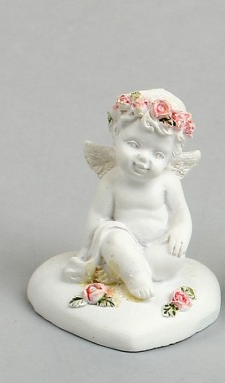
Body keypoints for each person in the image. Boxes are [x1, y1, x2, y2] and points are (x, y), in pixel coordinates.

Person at [64, 89, 199, 300]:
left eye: (158, 154)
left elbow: (181, 214)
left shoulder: (168, 181)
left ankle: (129, 270)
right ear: (116, 136)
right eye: (134, 145)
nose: (144, 158)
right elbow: (98, 215)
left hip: (156, 244)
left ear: (170, 159)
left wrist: (180, 232)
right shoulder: (112, 179)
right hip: (123, 241)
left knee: (173, 257)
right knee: (114, 238)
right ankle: (135, 275)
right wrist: (87, 248)